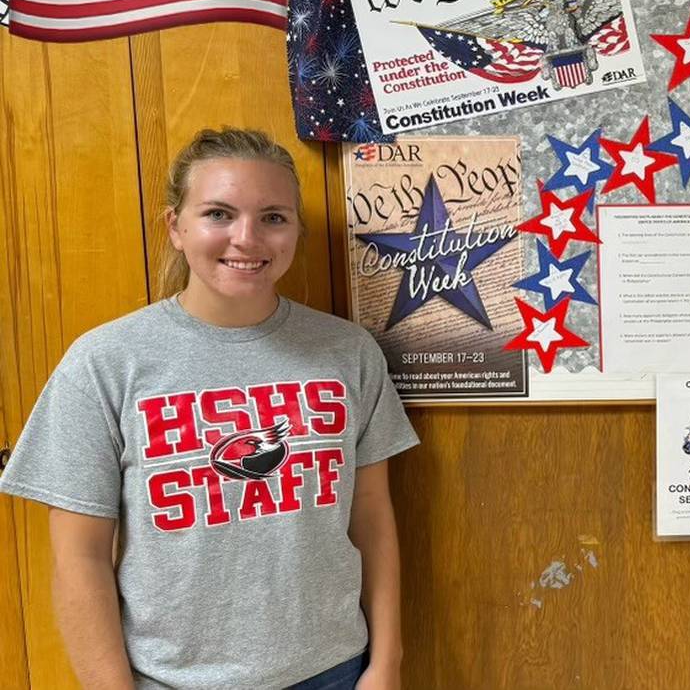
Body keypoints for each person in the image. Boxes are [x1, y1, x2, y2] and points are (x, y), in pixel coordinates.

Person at [0, 128, 419, 690]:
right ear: (175, 227)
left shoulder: (347, 352)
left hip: (334, 671)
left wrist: (386, 662)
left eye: (273, 217)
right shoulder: (105, 362)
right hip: (171, 679)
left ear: (296, 230)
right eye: (219, 213)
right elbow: (79, 559)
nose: (246, 238)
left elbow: (371, 517)